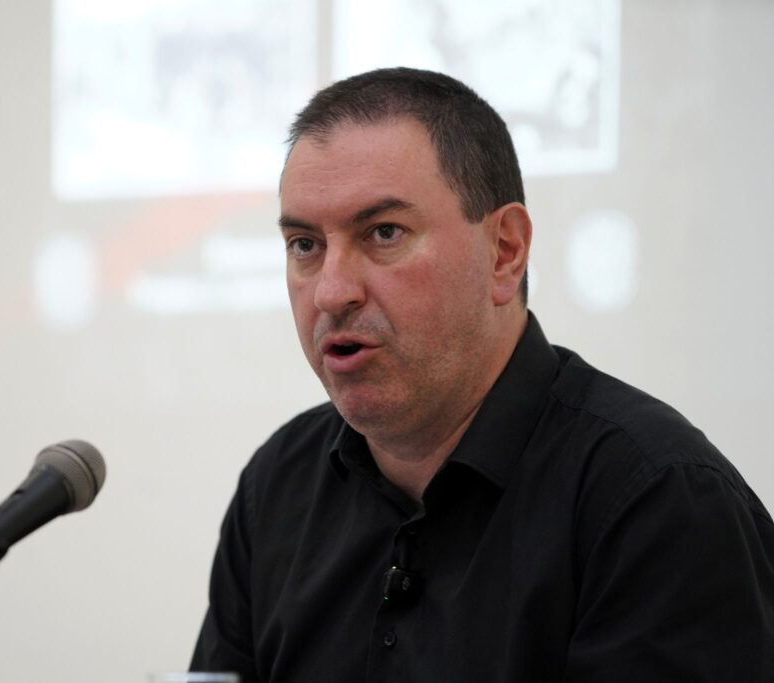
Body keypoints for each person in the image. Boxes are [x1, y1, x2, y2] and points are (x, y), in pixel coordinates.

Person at [191, 67, 774, 682]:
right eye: (305, 245)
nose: (332, 292)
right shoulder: (277, 487)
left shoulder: (656, 502)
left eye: (384, 233)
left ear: (505, 251)